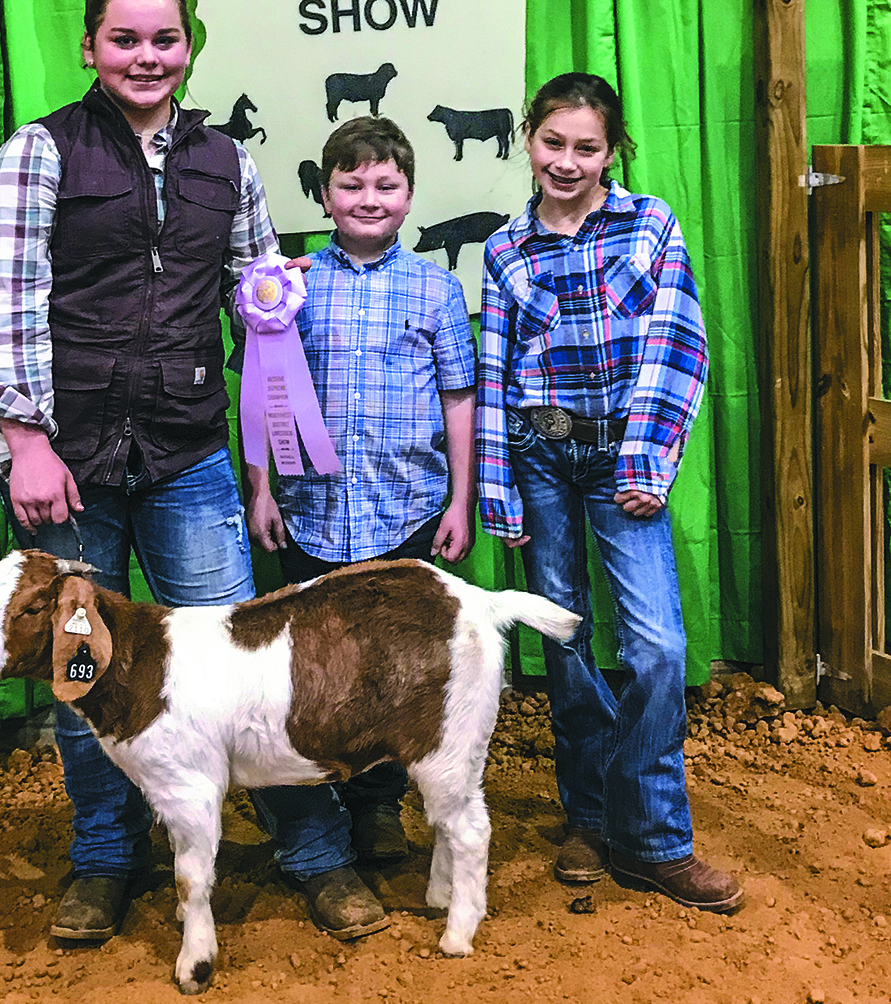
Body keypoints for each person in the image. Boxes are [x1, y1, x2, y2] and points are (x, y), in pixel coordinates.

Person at [0, 0, 278, 944]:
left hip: (190, 451)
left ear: (189, 46)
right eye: (125, 40)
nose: (147, 57)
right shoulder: (37, 154)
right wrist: (23, 440)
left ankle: (300, 853)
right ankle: (104, 861)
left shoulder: (227, 161)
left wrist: (278, 305)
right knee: (81, 676)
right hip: (68, 468)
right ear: (92, 48)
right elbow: (5, 306)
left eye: (164, 39)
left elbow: (253, 295)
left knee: (235, 666)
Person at [476, 73, 742, 913]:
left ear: (612, 149)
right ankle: (588, 815)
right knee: (564, 637)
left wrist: (646, 459)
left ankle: (654, 837)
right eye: (552, 142)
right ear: (528, 139)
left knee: (657, 646)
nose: (567, 161)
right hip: (539, 455)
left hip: (623, 462)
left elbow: (678, 340)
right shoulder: (505, 247)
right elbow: (495, 370)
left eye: (586, 147)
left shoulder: (649, 224)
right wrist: (497, 483)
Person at [246, 116, 477, 911]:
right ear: (324, 193)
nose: (368, 198)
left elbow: (458, 395)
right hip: (310, 513)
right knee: (313, 673)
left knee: (394, 673)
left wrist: (460, 497)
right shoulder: (292, 286)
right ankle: (324, 823)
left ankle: (381, 811)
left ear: (410, 195)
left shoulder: (439, 289)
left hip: (407, 509)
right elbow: (262, 388)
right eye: (350, 184)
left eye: (385, 185)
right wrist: (263, 489)